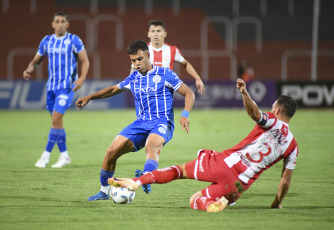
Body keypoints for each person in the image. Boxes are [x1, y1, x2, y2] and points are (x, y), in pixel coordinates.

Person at [108, 78, 298, 212]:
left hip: (224, 164)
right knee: (196, 199)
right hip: (239, 186)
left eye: (272, 108)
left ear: (277, 109)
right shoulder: (293, 147)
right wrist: (276, 204)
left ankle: (137, 182)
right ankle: (209, 204)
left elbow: (254, 114)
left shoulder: (273, 120)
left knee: (178, 171)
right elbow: (285, 181)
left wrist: (245, 93)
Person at [76, 40, 195, 200]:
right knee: (111, 152)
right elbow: (112, 89)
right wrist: (90, 97)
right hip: (140, 123)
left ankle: (145, 178)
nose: (137, 63)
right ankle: (104, 192)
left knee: (151, 145)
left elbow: (189, 93)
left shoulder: (165, 74)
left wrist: (185, 114)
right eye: (133, 60)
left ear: (148, 55)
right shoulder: (133, 78)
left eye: (140, 59)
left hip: (162, 122)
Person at [23, 12, 90, 168]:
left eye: (63, 21)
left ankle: (45, 156)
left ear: (67, 24)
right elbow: (36, 61)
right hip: (51, 88)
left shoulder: (74, 40)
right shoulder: (47, 41)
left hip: (67, 87)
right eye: (57, 21)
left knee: (55, 119)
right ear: (53, 24)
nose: (60, 24)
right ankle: (65, 156)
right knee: (57, 123)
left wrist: (82, 78)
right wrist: (29, 69)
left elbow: (85, 60)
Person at [131, 20, 205, 95]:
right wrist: (133, 83)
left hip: (166, 92)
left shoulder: (172, 50)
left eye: (158, 31)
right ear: (149, 34)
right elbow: (134, 68)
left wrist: (197, 78)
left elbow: (185, 64)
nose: (155, 34)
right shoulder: (142, 50)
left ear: (165, 33)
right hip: (147, 90)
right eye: (153, 31)